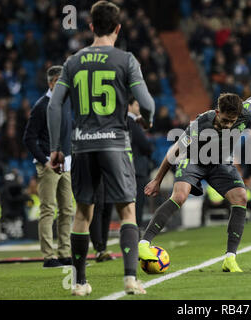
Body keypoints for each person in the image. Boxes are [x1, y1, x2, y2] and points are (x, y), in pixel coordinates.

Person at [47, 1, 155, 296]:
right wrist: (148, 120)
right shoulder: (126, 59)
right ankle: (131, 279)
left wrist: (57, 148)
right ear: (118, 28)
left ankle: (80, 282)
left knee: (83, 213)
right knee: (128, 209)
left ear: (91, 26)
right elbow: (146, 103)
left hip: (81, 146)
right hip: (114, 144)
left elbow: (55, 105)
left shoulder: (72, 62)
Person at [139, 77, 251, 272]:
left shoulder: (245, 111)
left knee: (241, 197)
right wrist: (157, 179)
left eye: (232, 122)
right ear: (217, 112)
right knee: (180, 196)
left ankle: (230, 259)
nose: (228, 125)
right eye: (224, 120)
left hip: (220, 162)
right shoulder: (201, 122)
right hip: (194, 160)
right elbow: (175, 151)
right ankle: (144, 243)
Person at [23, 65, 74, 268]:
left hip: (67, 164)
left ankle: (64, 252)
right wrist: (44, 162)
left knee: (67, 210)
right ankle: (48, 256)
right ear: (52, 82)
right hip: (48, 165)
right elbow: (28, 138)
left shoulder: (66, 102)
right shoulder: (41, 106)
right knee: (48, 209)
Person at [127, 97, 154, 229]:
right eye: (137, 105)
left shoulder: (126, 122)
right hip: (137, 169)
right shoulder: (131, 122)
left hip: (130, 168)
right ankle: (134, 233)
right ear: (129, 106)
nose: (139, 108)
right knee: (137, 205)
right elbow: (146, 146)